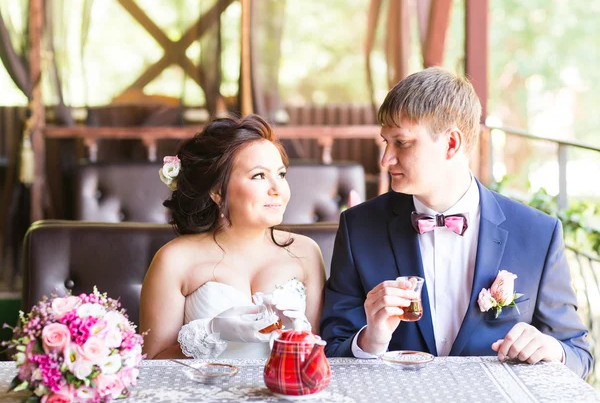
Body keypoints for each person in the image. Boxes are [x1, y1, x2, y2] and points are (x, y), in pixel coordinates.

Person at [319, 67, 593, 378]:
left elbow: (578, 354)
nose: (385, 160)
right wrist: (370, 340)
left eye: (402, 143)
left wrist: (551, 350)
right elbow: (330, 349)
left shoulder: (538, 234)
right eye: (386, 142)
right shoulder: (359, 228)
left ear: (451, 143)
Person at [140, 115, 326, 360]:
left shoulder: (306, 253)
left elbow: (319, 358)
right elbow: (151, 365)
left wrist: (298, 338)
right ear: (217, 191)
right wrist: (214, 332)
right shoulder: (174, 259)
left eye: (281, 174)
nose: (277, 189)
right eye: (259, 176)